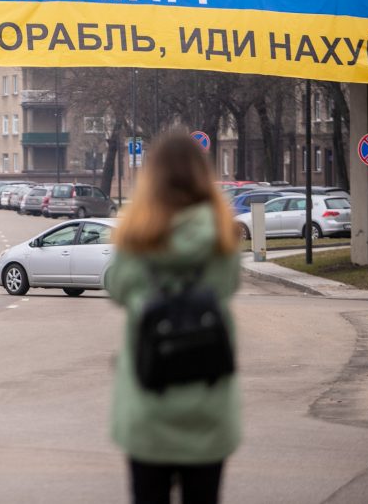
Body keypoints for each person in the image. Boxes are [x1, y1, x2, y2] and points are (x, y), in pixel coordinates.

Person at [106, 130, 241, 504]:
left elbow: (116, 289)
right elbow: (229, 286)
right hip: (208, 405)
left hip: (150, 404)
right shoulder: (222, 234)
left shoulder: (136, 235)